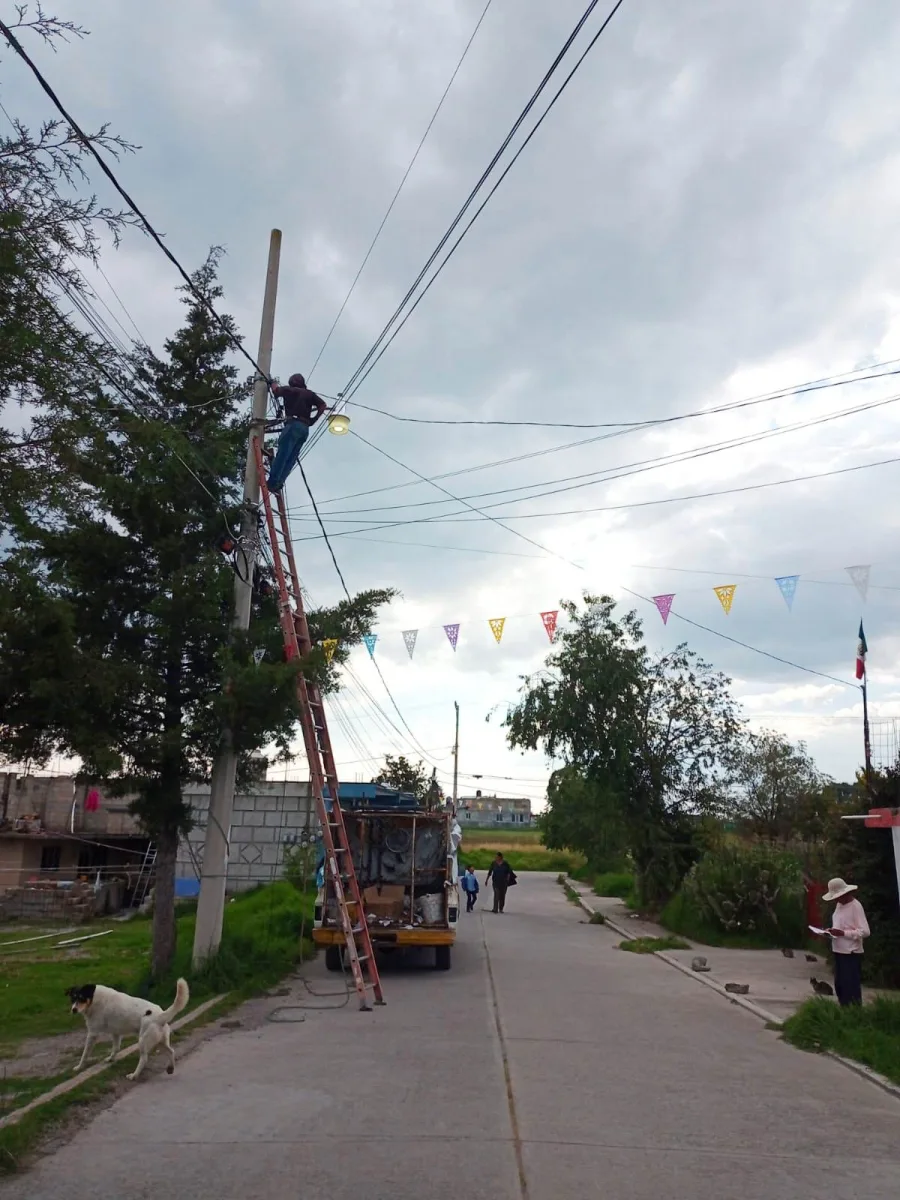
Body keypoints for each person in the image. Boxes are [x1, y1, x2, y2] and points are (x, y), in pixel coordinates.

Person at [265, 374, 327, 493]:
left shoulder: (289, 390)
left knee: (283, 454)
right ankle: (279, 483)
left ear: (292, 382)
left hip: (293, 425)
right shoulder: (310, 394)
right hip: (304, 429)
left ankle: (273, 482)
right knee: (291, 458)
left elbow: (276, 391)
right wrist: (313, 420)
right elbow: (323, 405)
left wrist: (272, 383)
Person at [823, 876, 870, 1007]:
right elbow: (840, 925)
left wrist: (844, 933)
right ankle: (843, 1011)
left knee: (851, 986)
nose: (837, 900)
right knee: (840, 985)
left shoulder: (856, 906)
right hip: (838, 949)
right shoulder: (839, 905)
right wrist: (831, 932)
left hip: (851, 952)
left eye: (838, 896)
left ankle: (854, 1012)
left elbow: (865, 931)